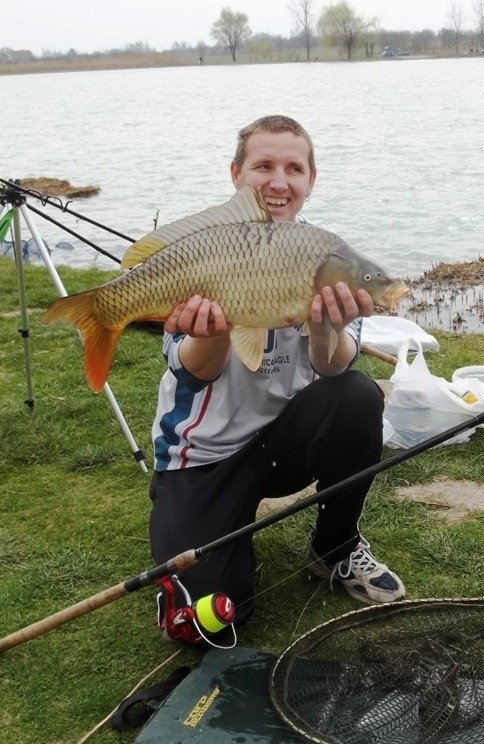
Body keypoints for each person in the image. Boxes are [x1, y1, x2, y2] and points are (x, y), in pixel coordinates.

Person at [148, 114, 405, 633]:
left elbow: (332, 366)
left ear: (311, 181)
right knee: (213, 622)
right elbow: (194, 374)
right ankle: (213, 527)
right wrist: (216, 328)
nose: (278, 181)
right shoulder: (207, 244)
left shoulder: (322, 251)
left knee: (356, 395)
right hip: (204, 455)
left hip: (282, 445)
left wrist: (325, 325)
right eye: (263, 166)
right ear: (237, 174)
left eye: (294, 168)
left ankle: (335, 548)